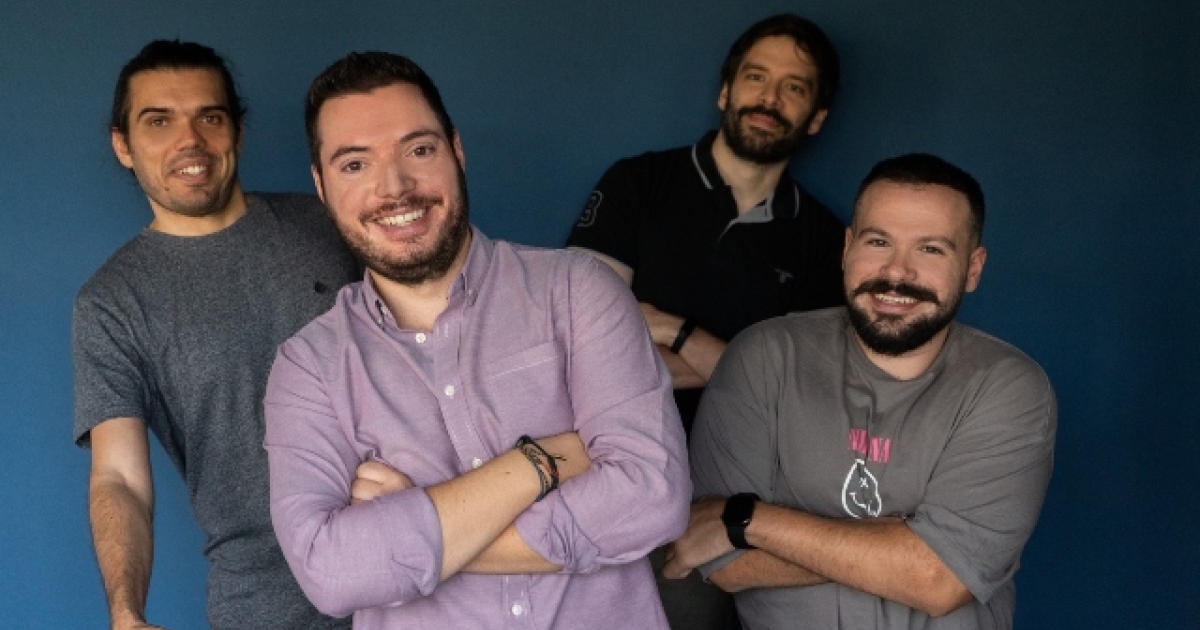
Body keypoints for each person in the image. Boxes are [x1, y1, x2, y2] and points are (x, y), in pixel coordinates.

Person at [263, 51, 690, 629]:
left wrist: (416, 530)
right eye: (355, 164)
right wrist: (540, 462)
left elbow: (652, 496)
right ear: (320, 184)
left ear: (456, 149)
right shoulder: (307, 367)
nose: (395, 187)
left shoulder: (576, 290)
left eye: (418, 150)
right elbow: (331, 573)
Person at [663, 153, 1057, 630]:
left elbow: (939, 580)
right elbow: (721, 561)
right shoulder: (764, 356)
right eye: (878, 241)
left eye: (931, 249)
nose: (897, 273)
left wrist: (749, 521)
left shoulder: (1008, 387)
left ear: (973, 268)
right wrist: (901, 546)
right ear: (848, 248)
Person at [72, 40, 358, 630]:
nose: (190, 141)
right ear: (122, 145)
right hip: (263, 602)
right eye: (159, 121)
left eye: (210, 117)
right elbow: (119, 478)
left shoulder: (329, 223)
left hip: (417, 567)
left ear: (238, 132)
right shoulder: (111, 303)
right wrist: (126, 613)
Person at [566, 13, 847, 433]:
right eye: (756, 77)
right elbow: (581, 345)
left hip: (740, 458)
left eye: (793, 87)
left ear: (817, 117)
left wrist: (675, 331)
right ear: (725, 91)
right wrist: (744, 369)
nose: (769, 98)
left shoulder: (825, 241)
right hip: (611, 443)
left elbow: (795, 390)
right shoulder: (637, 183)